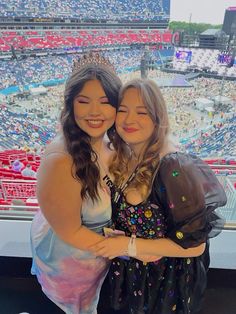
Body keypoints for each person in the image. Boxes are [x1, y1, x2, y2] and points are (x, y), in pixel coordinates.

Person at [93, 79, 227, 314]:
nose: (128, 119)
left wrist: (129, 245)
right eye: (122, 110)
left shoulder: (174, 167)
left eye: (141, 112)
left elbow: (194, 247)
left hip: (163, 282)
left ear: (158, 117)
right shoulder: (123, 155)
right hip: (130, 273)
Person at [30, 52, 122, 314]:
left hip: (98, 259)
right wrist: (130, 249)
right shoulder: (61, 160)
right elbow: (69, 232)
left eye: (105, 102)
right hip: (70, 269)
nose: (95, 112)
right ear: (71, 106)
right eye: (84, 101)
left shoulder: (110, 146)